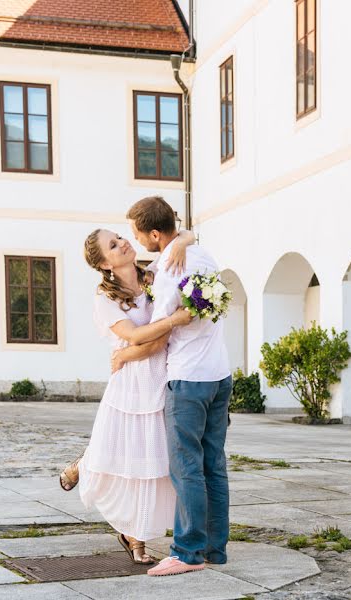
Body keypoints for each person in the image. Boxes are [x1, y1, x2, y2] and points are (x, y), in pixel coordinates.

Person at [58, 227, 192, 564]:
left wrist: (181, 244)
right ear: (104, 263)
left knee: (152, 459)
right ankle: (84, 467)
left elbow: (190, 232)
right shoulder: (105, 299)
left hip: (162, 376)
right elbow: (134, 334)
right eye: (114, 245)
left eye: (120, 237)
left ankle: (137, 535)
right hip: (131, 383)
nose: (123, 243)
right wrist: (173, 320)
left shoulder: (155, 275)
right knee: (122, 455)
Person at [126, 196, 232, 577]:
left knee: (186, 467)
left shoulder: (172, 269)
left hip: (187, 378)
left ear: (155, 234)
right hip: (220, 374)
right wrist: (185, 238)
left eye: (139, 236)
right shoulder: (204, 255)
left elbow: (159, 330)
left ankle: (187, 552)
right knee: (213, 465)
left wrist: (126, 352)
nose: (137, 242)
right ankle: (215, 550)